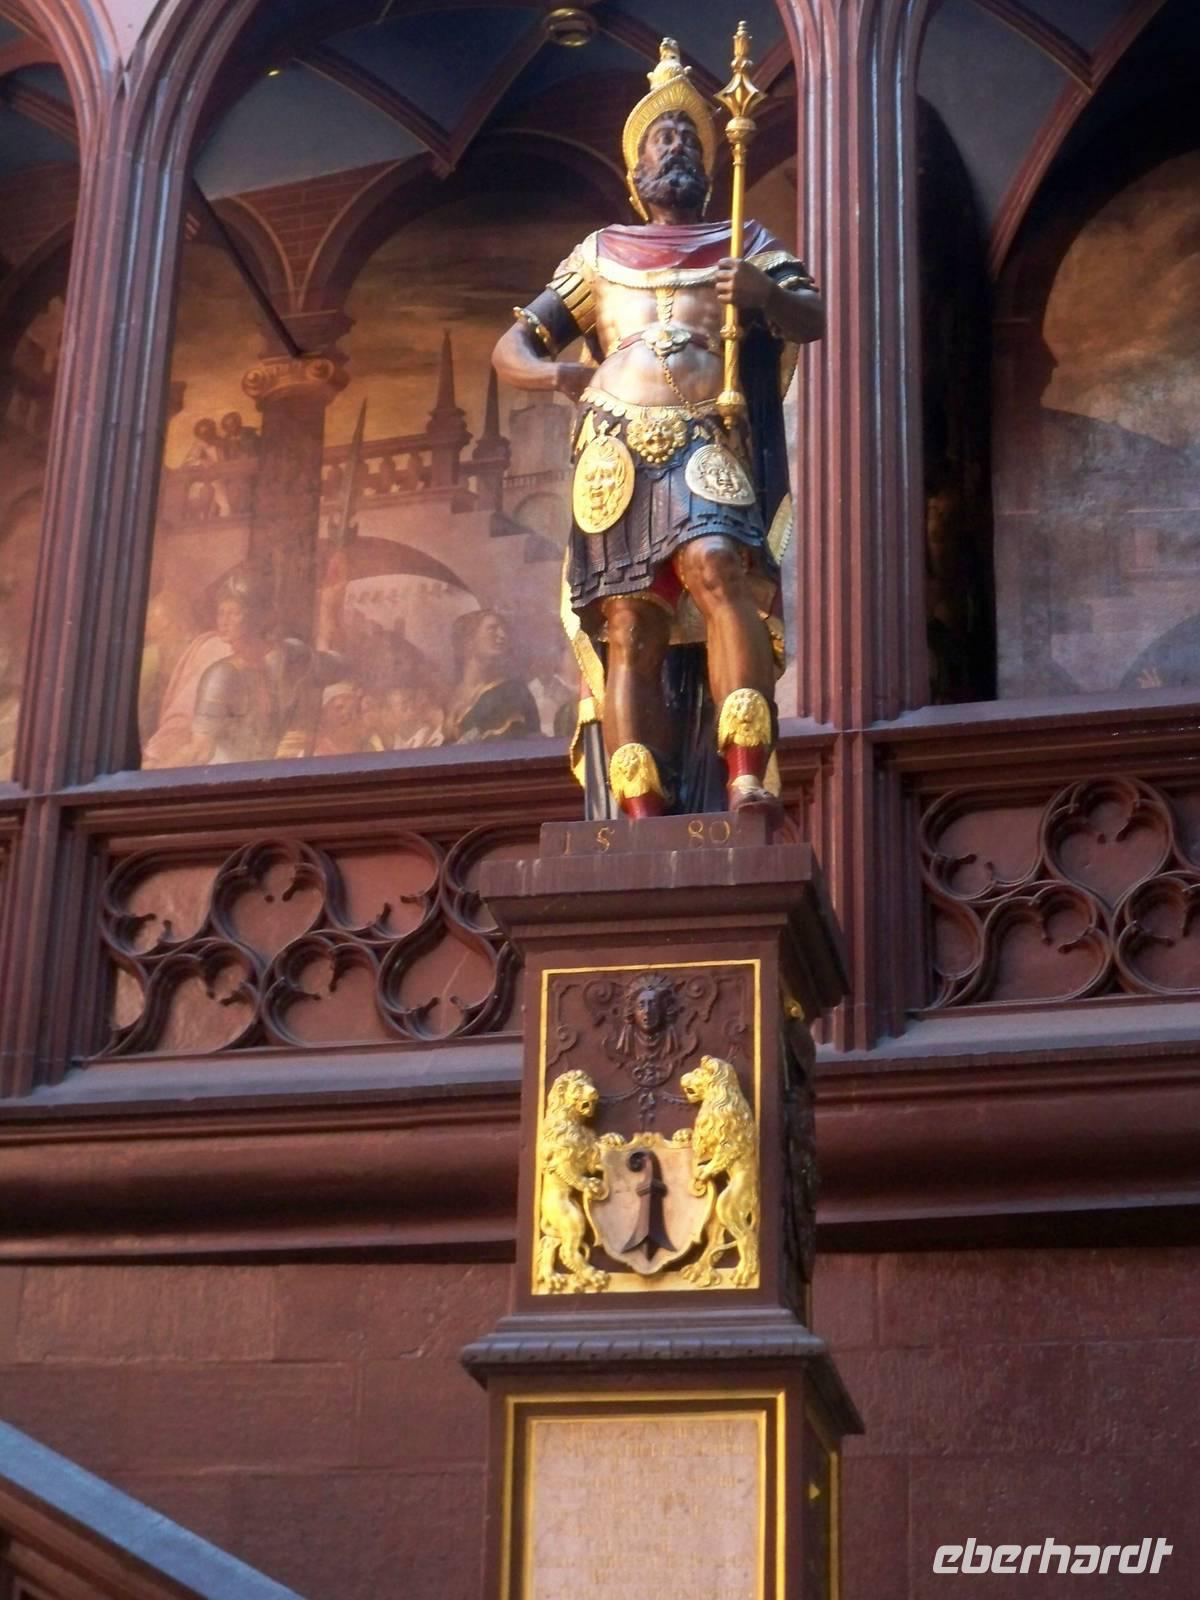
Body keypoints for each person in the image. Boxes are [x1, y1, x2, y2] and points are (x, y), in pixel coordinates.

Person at [493, 38, 822, 818]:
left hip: (707, 435)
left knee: (720, 567)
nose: (675, 146)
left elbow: (811, 317)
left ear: (707, 165)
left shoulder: (744, 241)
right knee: (629, 622)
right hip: (614, 445)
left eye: (686, 138)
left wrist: (762, 296)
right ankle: (640, 805)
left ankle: (744, 771)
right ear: (636, 171)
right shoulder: (599, 255)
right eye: (660, 138)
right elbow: (511, 347)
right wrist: (557, 377)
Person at [443, 609, 539, 744]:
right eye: (492, 629)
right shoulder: (447, 697)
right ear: (469, 640)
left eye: (504, 630)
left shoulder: (512, 692)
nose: (502, 635)